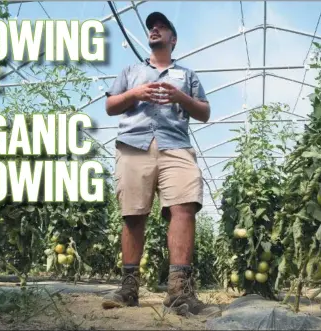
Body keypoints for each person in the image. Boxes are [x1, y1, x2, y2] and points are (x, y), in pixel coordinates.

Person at [102, 11, 216, 317]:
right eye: (152, 27)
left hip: (175, 144)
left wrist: (181, 97)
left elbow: (204, 112)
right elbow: (111, 105)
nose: (155, 29)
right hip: (134, 144)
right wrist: (135, 93)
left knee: (184, 205)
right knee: (133, 214)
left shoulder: (187, 76)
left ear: (173, 39)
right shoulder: (130, 71)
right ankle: (128, 290)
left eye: (162, 27)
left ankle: (179, 292)